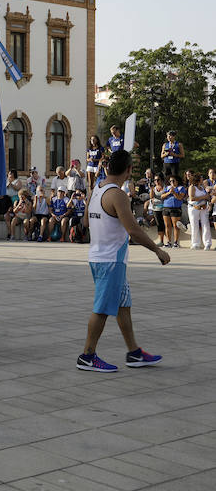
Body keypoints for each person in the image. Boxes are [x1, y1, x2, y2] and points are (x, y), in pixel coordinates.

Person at [77, 149, 169, 372]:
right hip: (111, 261)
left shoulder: (96, 189)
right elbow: (133, 230)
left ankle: (134, 353)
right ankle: (87, 356)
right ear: (128, 170)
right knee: (101, 309)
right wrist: (158, 250)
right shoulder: (117, 195)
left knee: (123, 306)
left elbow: (86, 223)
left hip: (99, 257)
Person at [187, 173, 212, 250]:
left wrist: (207, 199)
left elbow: (208, 197)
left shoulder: (202, 187)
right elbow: (192, 198)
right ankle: (195, 243)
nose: (202, 179)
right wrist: (204, 197)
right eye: (201, 178)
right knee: (194, 225)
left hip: (203, 208)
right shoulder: (192, 187)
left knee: (206, 225)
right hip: (193, 208)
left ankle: (207, 243)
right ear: (197, 179)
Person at [161, 174, 186, 248]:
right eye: (170, 181)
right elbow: (162, 196)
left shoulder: (181, 188)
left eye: (173, 180)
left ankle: (176, 242)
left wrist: (174, 192)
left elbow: (180, 198)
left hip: (175, 208)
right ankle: (168, 242)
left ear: (177, 181)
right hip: (166, 208)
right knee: (167, 225)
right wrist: (169, 192)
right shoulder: (167, 188)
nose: (171, 182)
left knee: (176, 226)